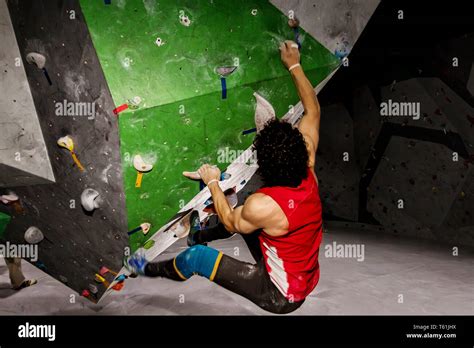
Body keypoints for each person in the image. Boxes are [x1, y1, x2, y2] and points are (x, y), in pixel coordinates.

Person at [126, 40, 323, 314]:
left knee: (198, 257)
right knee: (246, 222)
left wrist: (213, 182)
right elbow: (312, 108)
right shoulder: (308, 161)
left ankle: (147, 268)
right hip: (303, 271)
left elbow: (230, 220)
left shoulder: (263, 205)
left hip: (281, 294)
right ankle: (199, 234)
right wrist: (294, 64)